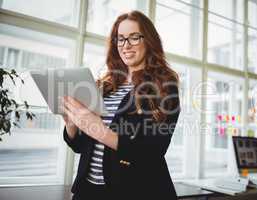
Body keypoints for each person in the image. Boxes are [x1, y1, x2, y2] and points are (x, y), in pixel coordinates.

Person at [62, 10, 180, 200]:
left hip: (133, 191)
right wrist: (73, 124)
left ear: (148, 41)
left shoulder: (164, 86)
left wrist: (97, 128)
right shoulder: (104, 85)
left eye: (134, 37)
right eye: (120, 39)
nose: (126, 45)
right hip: (88, 190)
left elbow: (152, 151)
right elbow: (81, 146)